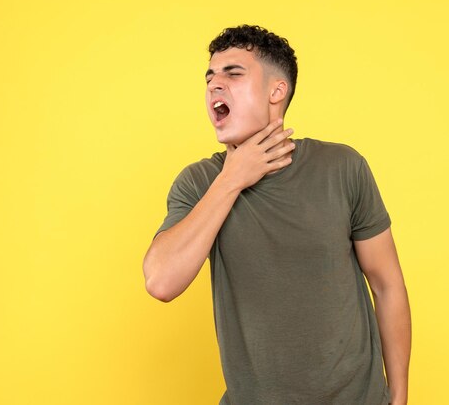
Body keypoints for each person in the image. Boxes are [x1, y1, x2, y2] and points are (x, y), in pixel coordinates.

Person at [143, 25, 411, 405]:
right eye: (210, 77)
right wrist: (231, 179)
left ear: (277, 91)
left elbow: (387, 285)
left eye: (233, 73)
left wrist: (398, 397)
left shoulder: (342, 167)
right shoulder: (200, 182)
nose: (215, 85)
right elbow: (160, 281)